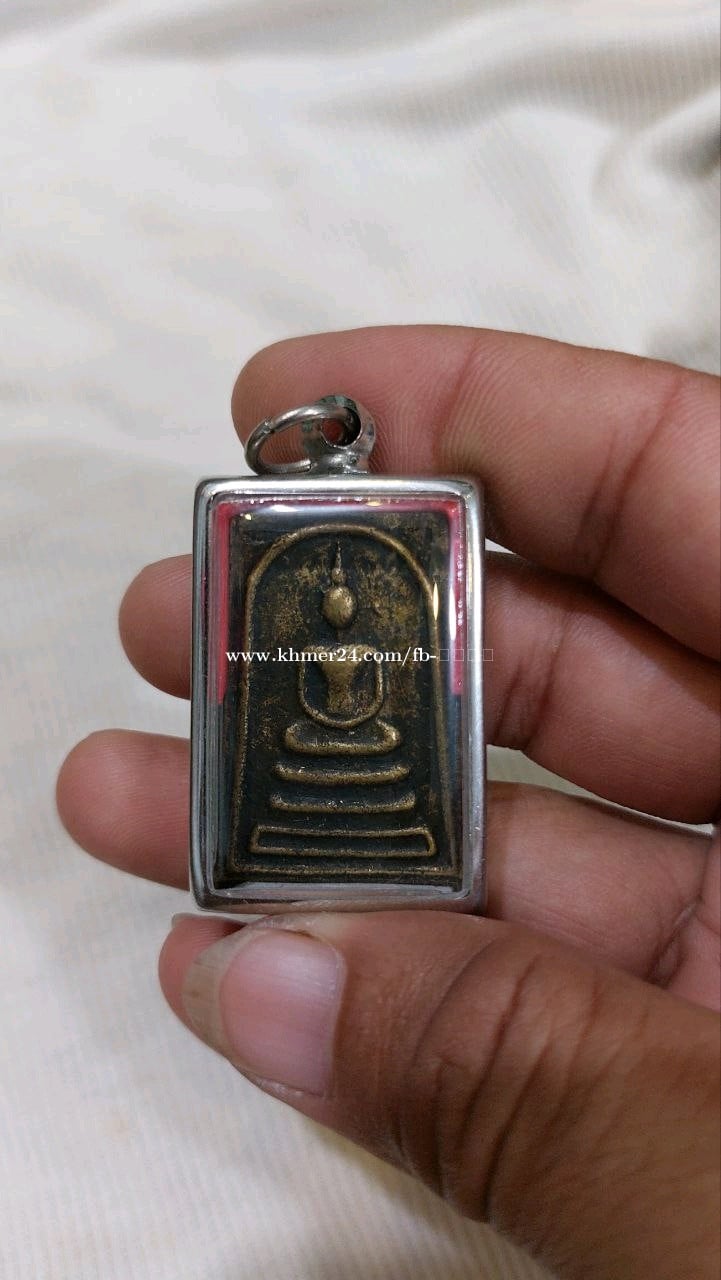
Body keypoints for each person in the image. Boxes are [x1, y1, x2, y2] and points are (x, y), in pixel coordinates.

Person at [56, 326, 720, 1280]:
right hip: (312, 754)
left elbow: (376, 701)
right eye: (331, 603)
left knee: (368, 750)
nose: (339, 608)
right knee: (293, 744)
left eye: (345, 601)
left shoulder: (382, 621)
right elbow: (305, 699)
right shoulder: (299, 617)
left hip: (366, 755)